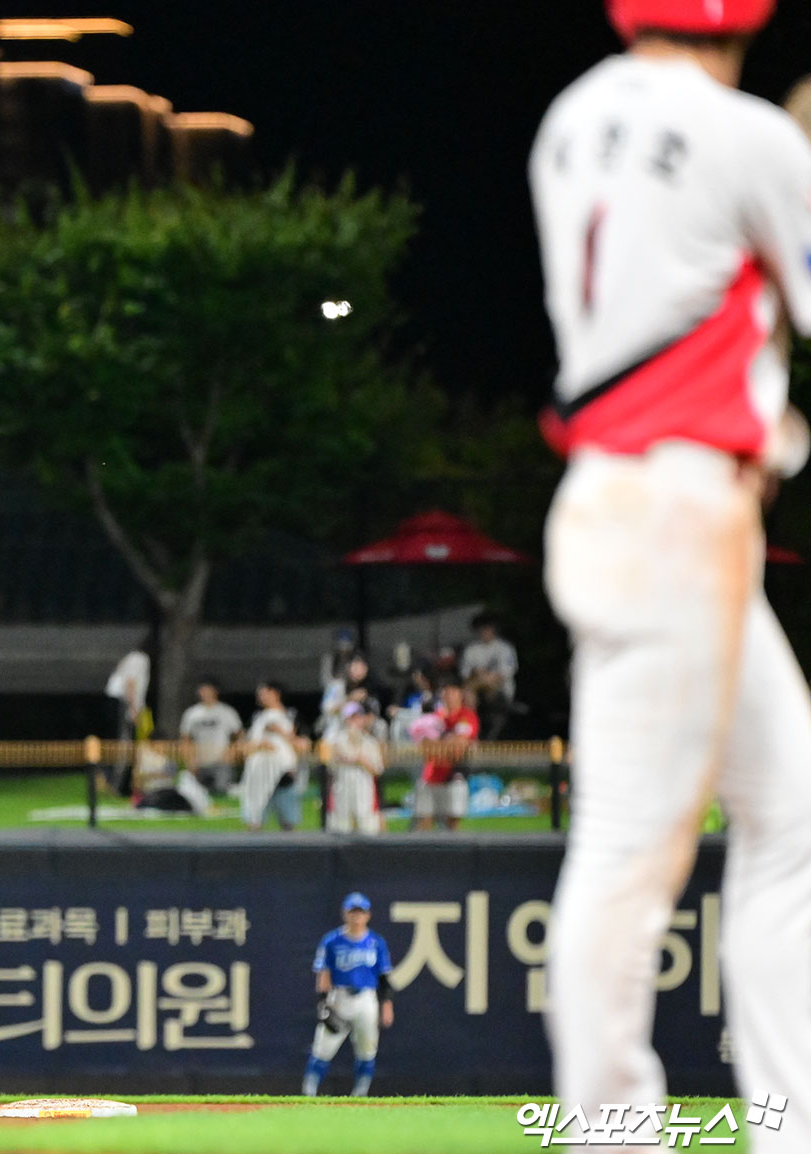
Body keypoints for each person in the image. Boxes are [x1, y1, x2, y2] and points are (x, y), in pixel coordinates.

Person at [529, 1, 811, 1145]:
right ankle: (610, 1130)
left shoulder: (571, 117)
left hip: (634, 498)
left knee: (793, 813)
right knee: (629, 848)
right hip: (676, 511)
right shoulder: (747, 134)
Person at [301, 892, 394, 1098]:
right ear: (345, 914)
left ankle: (360, 1095)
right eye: (353, 912)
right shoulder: (332, 940)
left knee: (367, 1050)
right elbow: (324, 973)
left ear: (368, 915)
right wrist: (323, 1002)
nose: (356, 916)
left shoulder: (376, 942)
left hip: (367, 998)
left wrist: (387, 1005)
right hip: (340, 997)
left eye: (360, 912)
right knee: (322, 1049)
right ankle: (308, 1093)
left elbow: (384, 978)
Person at [414, 681, 478, 831]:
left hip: (455, 774)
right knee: (424, 819)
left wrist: (439, 744)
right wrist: (445, 743)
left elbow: (460, 744)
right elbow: (424, 744)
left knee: (452, 821)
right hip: (431, 775)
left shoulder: (466, 716)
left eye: (453, 692)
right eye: (446, 692)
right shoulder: (435, 716)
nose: (449, 696)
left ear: (460, 694)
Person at [238, 680, 301, 831]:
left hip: (281, 769)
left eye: (264, 693)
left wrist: (280, 733)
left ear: (275, 694)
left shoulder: (287, 715)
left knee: (287, 819)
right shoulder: (261, 717)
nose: (260, 696)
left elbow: (295, 741)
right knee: (255, 815)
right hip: (259, 768)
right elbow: (253, 742)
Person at [323, 702, 384, 835]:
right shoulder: (336, 740)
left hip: (364, 786)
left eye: (357, 717)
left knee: (367, 825)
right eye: (351, 718)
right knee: (341, 825)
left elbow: (378, 769)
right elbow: (332, 765)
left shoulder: (370, 742)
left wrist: (361, 761)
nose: (354, 721)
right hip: (343, 786)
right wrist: (353, 759)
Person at [177, 678, 244, 794]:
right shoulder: (192, 713)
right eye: (202, 690)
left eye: (208, 690)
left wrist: (232, 753)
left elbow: (240, 736)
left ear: (215, 691)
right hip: (199, 763)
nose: (205, 693)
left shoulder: (226, 712)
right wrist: (189, 760)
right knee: (197, 793)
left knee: (221, 791)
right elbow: (185, 739)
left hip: (221, 762)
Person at [459, 611, 518, 740]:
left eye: (488, 628)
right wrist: (476, 673)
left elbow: (507, 671)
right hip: (475, 689)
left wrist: (487, 676)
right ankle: (471, 733)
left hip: (500, 690)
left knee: (483, 687)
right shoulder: (471, 649)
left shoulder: (504, 648)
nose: (485, 631)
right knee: (467, 693)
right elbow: (464, 672)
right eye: (482, 628)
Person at [102, 638, 150, 795]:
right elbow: (130, 683)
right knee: (125, 745)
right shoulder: (140, 658)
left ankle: (119, 783)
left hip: (119, 703)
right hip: (123, 704)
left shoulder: (132, 657)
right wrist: (133, 708)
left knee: (124, 744)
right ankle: (120, 786)